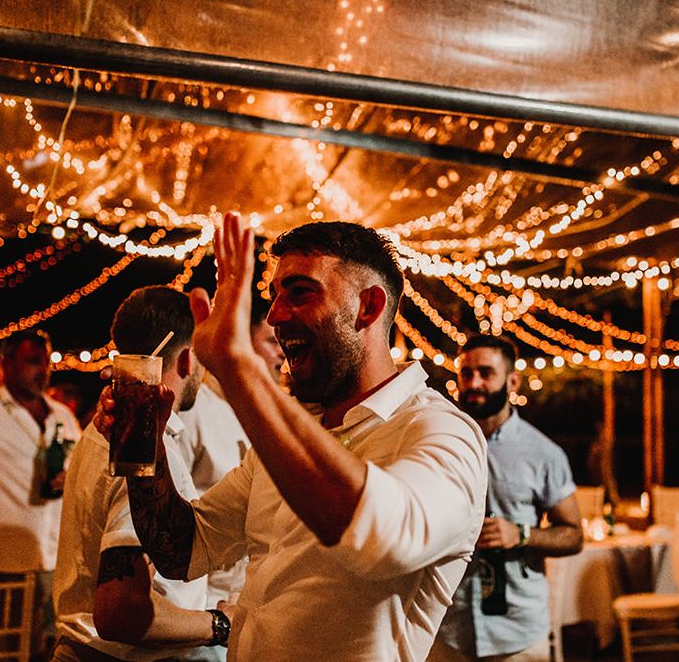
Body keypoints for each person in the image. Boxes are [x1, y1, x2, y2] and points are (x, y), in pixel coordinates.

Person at [97, 215, 488, 661]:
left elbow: (380, 539)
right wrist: (147, 446)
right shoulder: (295, 429)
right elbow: (181, 549)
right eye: (273, 296)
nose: (275, 315)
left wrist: (239, 368)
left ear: (369, 307)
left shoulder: (442, 431)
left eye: (300, 293)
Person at [52, 286, 232, 662]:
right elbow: (122, 613)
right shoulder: (136, 445)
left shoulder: (108, 429)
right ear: (187, 359)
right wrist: (220, 623)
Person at [432, 334, 583, 661]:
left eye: (486, 373)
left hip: (516, 631)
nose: (473, 383)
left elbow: (574, 535)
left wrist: (521, 534)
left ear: (512, 381)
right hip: (445, 624)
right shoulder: (438, 441)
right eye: (466, 374)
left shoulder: (543, 453)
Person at [178, 295, 284, 609]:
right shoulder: (193, 409)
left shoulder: (267, 414)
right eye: (270, 341)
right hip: (199, 605)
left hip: (245, 603)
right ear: (241, 344)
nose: (281, 351)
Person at [0, 329, 81, 659]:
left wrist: (71, 477)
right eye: (32, 362)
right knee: (3, 651)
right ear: (8, 364)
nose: (43, 371)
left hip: (57, 559)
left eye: (46, 363)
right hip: (0, 561)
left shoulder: (63, 416)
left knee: (51, 651)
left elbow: (82, 469)